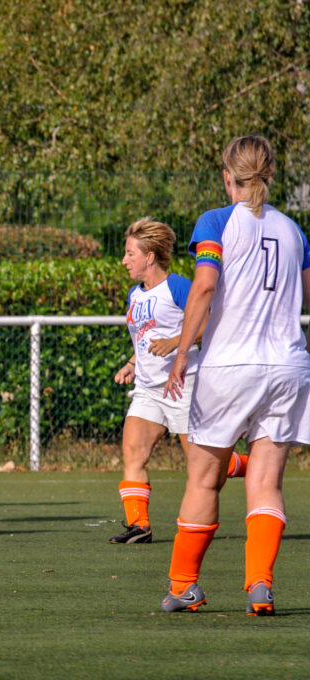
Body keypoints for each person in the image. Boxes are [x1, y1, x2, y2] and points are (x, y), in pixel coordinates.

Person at [160, 135, 310, 616]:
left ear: (228, 176)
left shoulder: (216, 222)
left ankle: (185, 586)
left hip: (230, 367)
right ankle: (259, 586)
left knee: (204, 480)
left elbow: (204, 287)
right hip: (288, 366)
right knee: (265, 481)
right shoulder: (295, 231)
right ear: (271, 176)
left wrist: (182, 352)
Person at [110, 217, 247, 544]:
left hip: (186, 387)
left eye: (131, 254)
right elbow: (144, 337)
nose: (125, 260)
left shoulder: (178, 287)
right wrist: (131, 362)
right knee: (132, 452)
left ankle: (242, 464)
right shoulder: (135, 295)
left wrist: (176, 342)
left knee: (209, 471)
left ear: (150, 257)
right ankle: (139, 526)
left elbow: (211, 325)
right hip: (148, 390)